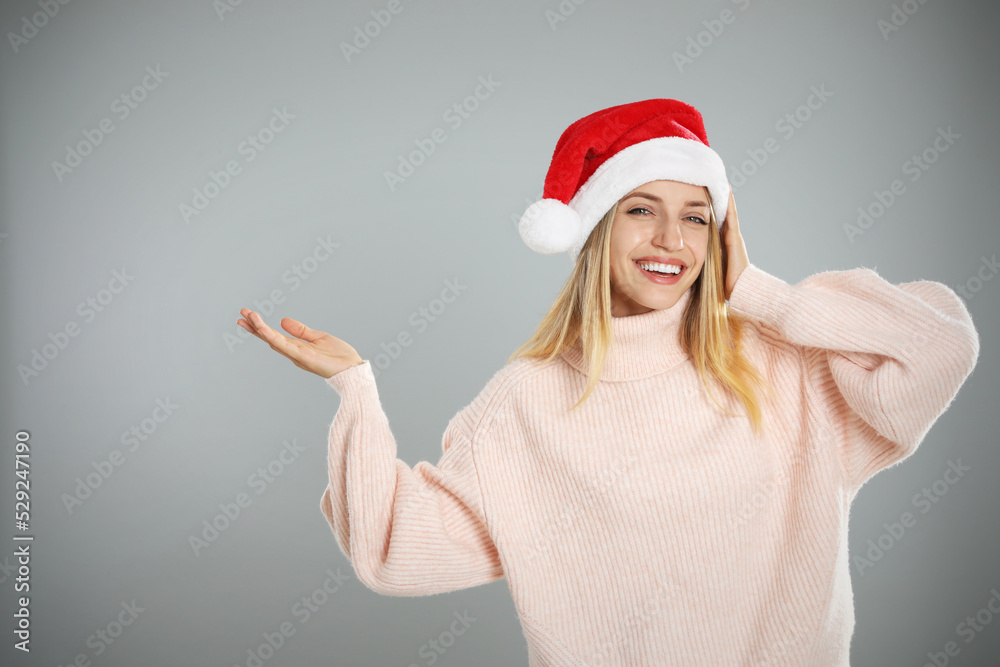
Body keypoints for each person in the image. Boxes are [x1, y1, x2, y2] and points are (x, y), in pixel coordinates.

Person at [237, 99, 980, 665]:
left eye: (696, 217)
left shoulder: (784, 358)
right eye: (641, 211)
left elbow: (940, 348)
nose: (671, 240)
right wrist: (356, 390)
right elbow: (393, 549)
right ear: (595, 231)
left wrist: (760, 293)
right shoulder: (528, 401)